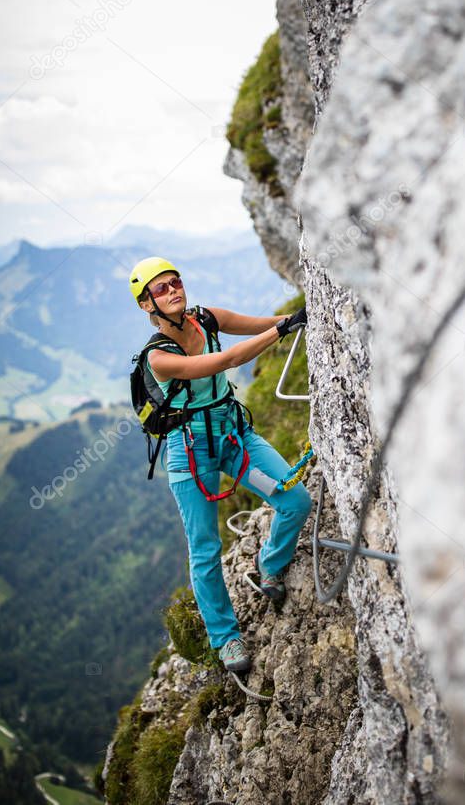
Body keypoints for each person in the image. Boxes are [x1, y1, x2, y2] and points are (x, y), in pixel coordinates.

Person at [129, 256, 312, 674]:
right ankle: (226, 638)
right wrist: (281, 330)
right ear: (146, 306)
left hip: (233, 435)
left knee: (296, 501)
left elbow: (255, 323)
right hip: (189, 450)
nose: (174, 290)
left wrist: (301, 315)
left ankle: (269, 564)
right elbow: (226, 362)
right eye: (161, 288)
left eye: (176, 282)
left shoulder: (206, 319)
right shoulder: (158, 357)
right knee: (206, 550)